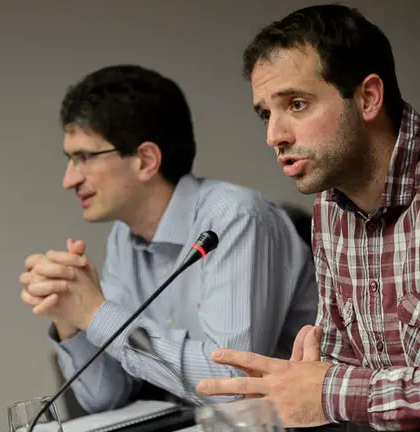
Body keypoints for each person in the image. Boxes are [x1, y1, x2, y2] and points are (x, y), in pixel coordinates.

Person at [196, 4, 420, 431]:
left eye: (297, 104)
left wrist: (329, 392)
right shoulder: (331, 204)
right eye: (266, 114)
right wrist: (291, 392)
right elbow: (343, 369)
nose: (275, 135)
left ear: (368, 98)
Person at [18, 65, 318, 414]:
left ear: (145, 160)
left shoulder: (236, 217)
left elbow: (232, 384)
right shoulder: (124, 238)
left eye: (84, 157)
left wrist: (98, 313)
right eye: (70, 159)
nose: (69, 179)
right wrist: (70, 314)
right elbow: (106, 397)